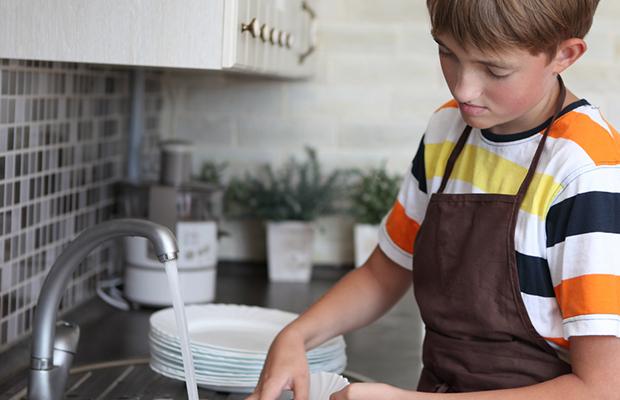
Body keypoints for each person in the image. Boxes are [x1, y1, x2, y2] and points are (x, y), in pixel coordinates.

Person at [247, 0, 620, 399]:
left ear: (565, 54)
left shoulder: (585, 171)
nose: (463, 88)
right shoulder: (447, 129)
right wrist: (295, 336)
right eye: (447, 52)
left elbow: (600, 387)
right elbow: (382, 274)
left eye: (495, 69)